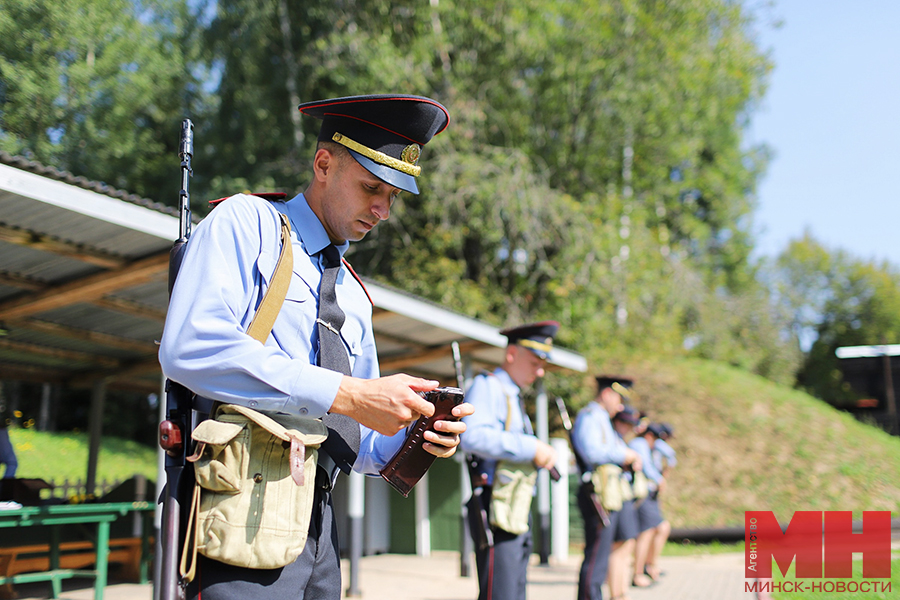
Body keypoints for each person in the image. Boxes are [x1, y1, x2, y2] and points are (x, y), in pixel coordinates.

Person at [159, 94, 473, 600]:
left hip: (318, 530)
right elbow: (189, 346)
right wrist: (348, 393)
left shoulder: (354, 294)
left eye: (393, 196)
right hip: (238, 509)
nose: (383, 209)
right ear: (323, 163)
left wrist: (416, 434)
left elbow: (358, 444)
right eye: (372, 187)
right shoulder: (248, 223)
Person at [460, 322, 560, 600]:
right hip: (496, 506)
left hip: (514, 504)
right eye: (534, 362)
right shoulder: (488, 386)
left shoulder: (511, 395)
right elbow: (473, 436)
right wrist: (531, 447)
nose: (539, 371)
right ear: (512, 354)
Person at [571, 376, 642, 600]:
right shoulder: (591, 417)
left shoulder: (602, 418)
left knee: (601, 556)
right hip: (596, 492)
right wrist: (625, 454)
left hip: (607, 493)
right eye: (618, 399)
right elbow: (592, 451)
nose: (620, 406)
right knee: (596, 558)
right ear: (606, 394)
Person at [629, 421, 667, 587]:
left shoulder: (644, 443)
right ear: (649, 435)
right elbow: (646, 466)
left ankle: (647, 566)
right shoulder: (640, 443)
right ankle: (638, 572)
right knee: (646, 533)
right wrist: (659, 479)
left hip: (647, 494)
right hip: (641, 495)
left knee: (658, 529)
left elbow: (670, 454)